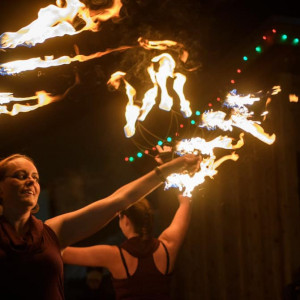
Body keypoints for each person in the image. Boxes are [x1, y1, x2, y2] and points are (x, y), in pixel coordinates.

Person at [0, 153, 200, 300]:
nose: (30, 182)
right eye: (20, 175)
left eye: (35, 178)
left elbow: (118, 201)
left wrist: (171, 168)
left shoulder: (52, 232)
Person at [62, 192, 193, 300]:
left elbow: (63, 253)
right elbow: (185, 205)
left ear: (126, 221)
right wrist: (185, 197)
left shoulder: (114, 256)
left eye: (119, 217)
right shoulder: (167, 246)